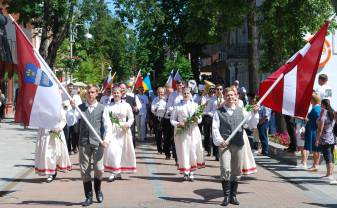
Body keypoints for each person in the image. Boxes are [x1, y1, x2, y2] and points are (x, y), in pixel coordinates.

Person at [212, 87, 259, 206]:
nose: (230, 97)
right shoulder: (219, 112)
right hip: (224, 145)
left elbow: (251, 124)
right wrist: (220, 140)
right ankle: (226, 196)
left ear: (236, 96)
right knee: (225, 169)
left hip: (238, 144)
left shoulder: (242, 110)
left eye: (232, 95)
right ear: (224, 97)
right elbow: (215, 128)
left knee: (236, 170)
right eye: (228, 95)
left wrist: (254, 113)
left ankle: (233, 195)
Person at [67, 85, 111, 206]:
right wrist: (72, 109)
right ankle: (88, 196)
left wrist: (106, 140)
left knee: (99, 169)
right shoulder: (81, 108)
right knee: (84, 170)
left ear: (97, 93)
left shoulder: (102, 108)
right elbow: (71, 121)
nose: (90, 94)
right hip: (84, 142)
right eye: (88, 92)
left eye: (92, 92)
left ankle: (98, 190)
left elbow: (108, 126)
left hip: (98, 142)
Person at [170, 88, 204, 181]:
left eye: (188, 93)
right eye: (184, 93)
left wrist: (197, 120)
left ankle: (192, 171)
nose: (186, 95)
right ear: (181, 94)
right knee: (184, 150)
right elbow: (172, 120)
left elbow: (200, 118)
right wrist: (178, 123)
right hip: (182, 131)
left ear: (191, 94)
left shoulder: (195, 105)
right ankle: (185, 171)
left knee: (193, 149)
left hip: (193, 130)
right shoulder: (177, 106)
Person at [104, 87, 136, 181]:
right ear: (112, 94)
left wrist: (127, 124)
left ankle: (118, 172)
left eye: (118, 93)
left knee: (121, 152)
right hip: (112, 130)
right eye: (114, 93)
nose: (116, 95)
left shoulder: (126, 105)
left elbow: (131, 118)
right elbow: (106, 119)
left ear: (121, 94)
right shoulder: (108, 106)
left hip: (123, 131)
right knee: (112, 151)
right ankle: (113, 172)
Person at [35, 105, 71, 182]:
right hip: (45, 133)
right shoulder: (42, 107)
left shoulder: (58, 107)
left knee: (55, 153)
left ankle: (53, 170)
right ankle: (50, 173)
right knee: (46, 153)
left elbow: (63, 120)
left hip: (56, 132)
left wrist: (59, 128)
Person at [315, 99, 336, 184]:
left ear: (323, 105)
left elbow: (320, 128)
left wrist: (317, 139)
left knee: (327, 156)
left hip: (325, 138)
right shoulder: (333, 112)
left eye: (321, 105)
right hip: (332, 137)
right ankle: (329, 174)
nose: (320, 106)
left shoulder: (324, 113)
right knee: (331, 155)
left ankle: (329, 175)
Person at [119, 83, 141, 148]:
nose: (122, 89)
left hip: (129, 122)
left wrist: (136, 109)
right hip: (119, 122)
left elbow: (136, 111)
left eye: (123, 88)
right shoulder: (115, 98)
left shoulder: (132, 98)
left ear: (126, 89)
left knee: (130, 138)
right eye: (121, 88)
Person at [304, 93, 321, 172]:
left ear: (313, 100)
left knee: (315, 149)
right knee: (316, 149)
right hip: (314, 130)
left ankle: (315, 165)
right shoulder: (318, 108)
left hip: (314, 130)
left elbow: (319, 120)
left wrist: (307, 119)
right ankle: (315, 164)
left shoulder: (315, 109)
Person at [63, 83, 82, 155]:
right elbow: (62, 105)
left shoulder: (77, 96)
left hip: (75, 117)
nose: (70, 88)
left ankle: (74, 147)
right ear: (67, 88)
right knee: (67, 135)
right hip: (66, 118)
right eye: (69, 87)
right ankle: (68, 149)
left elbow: (80, 106)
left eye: (71, 87)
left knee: (75, 133)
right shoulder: (64, 96)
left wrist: (75, 106)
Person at [151, 87, 167, 154]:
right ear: (157, 93)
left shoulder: (167, 99)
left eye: (162, 92)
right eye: (159, 92)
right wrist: (155, 109)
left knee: (166, 135)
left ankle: (165, 149)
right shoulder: (155, 100)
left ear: (164, 93)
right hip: (157, 118)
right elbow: (152, 109)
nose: (160, 94)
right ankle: (159, 150)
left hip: (165, 118)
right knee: (158, 135)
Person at [162, 85, 175, 160]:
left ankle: (174, 153)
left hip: (174, 119)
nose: (170, 94)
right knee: (167, 137)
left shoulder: (174, 99)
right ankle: (167, 154)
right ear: (166, 92)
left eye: (172, 92)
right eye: (169, 92)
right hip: (166, 119)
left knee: (174, 137)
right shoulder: (163, 100)